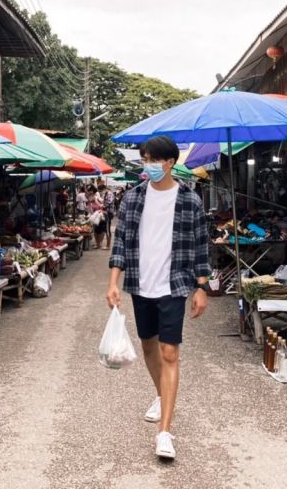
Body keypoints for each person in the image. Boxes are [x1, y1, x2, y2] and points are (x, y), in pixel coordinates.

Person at [106, 135, 210, 459]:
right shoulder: (133, 198)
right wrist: (113, 282)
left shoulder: (190, 200)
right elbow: (120, 242)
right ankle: (161, 394)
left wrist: (202, 287)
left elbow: (200, 245)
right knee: (149, 345)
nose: (148, 165)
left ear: (169, 162)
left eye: (153, 159)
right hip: (140, 283)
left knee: (169, 352)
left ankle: (164, 433)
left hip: (174, 284)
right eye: (145, 159)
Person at [99, 183, 116, 249]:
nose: (101, 192)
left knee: (107, 229)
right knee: (106, 228)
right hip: (106, 212)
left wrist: (102, 206)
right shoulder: (106, 194)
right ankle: (107, 245)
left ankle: (108, 246)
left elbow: (108, 203)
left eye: (101, 190)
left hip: (108, 213)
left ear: (104, 189)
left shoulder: (109, 194)